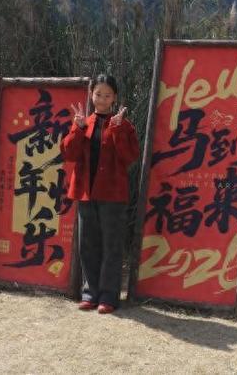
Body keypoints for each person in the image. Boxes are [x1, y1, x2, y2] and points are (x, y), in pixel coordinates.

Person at [60, 74, 140, 314]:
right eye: (98, 94)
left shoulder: (124, 126)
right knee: (88, 245)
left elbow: (129, 157)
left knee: (111, 246)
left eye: (107, 95)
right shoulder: (83, 123)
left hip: (113, 195)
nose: (102, 99)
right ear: (91, 95)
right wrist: (77, 128)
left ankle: (108, 296)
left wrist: (117, 129)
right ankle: (90, 294)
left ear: (114, 98)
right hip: (86, 193)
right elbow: (69, 154)